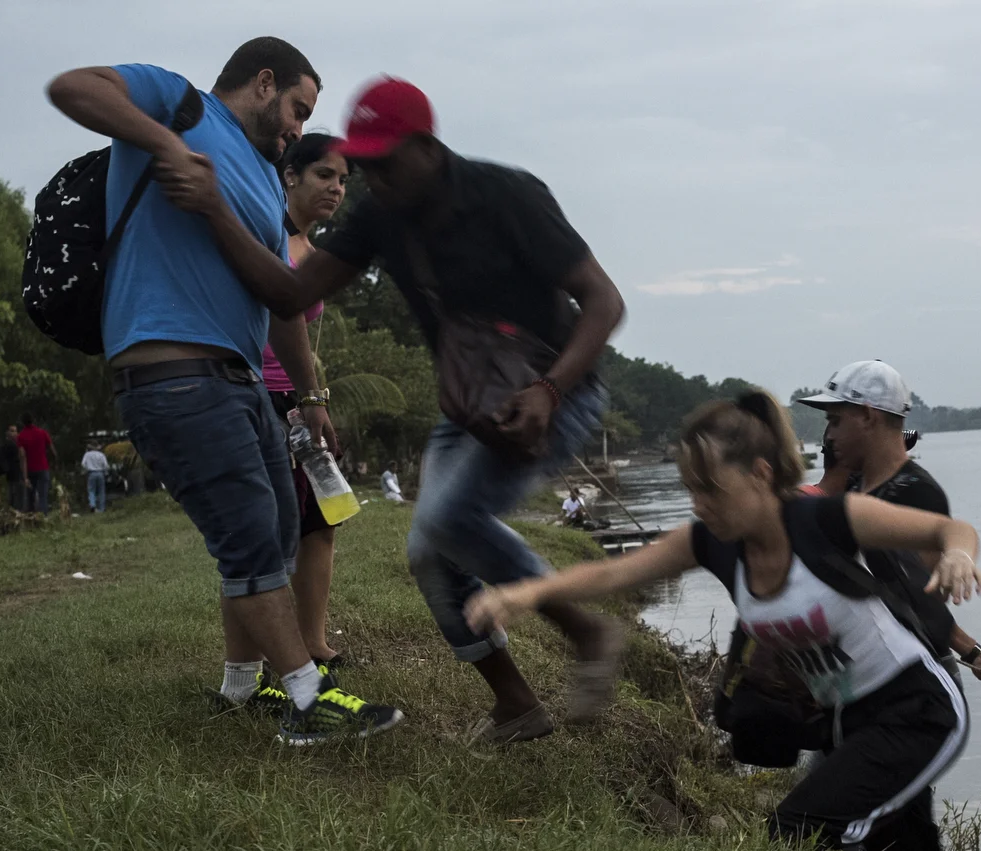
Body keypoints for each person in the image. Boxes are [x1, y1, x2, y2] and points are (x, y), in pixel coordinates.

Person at [466, 391, 981, 851]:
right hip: (847, 724)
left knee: (797, 830)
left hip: (917, 711)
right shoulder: (715, 542)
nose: (699, 505)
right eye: (689, 489)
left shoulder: (827, 520)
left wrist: (959, 555)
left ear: (760, 474)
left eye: (709, 489)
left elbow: (948, 530)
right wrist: (527, 591)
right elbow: (618, 574)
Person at [151, 76, 628, 743]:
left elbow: (604, 302)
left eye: (387, 159)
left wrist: (549, 390)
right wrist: (213, 210)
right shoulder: (380, 216)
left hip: (557, 393)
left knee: (449, 517)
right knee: (431, 551)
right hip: (470, 408)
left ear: (428, 147)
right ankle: (517, 706)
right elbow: (288, 295)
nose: (373, 174)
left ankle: (587, 632)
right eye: (363, 161)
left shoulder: (506, 195)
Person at [46, 36, 400, 745]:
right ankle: (308, 700)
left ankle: (243, 688)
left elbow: (283, 301)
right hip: (172, 371)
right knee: (248, 541)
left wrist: (311, 394)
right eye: (299, 109)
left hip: (240, 378)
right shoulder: (176, 103)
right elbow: (72, 87)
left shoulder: (269, 182)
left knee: (274, 535)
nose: (299, 129)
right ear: (264, 83)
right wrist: (167, 147)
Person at [797, 360, 981, 684]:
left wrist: (959, 556)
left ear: (869, 418)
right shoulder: (856, 489)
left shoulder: (914, 491)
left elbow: (921, 597)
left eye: (837, 420)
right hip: (869, 667)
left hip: (916, 675)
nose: (830, 434)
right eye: (831, 423)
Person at [259, 132, 351, 671]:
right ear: (290, 174)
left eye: (343, 180)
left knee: (320, 522)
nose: (336, 188)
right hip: (254, 394)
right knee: (273, 526)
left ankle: (313, 641)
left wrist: (314, 398)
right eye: (324, 175)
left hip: (298, 402)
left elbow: (306, 345)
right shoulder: (263, 232)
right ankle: (274, 657)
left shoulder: (313, 254)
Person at [0, 423, 27, 511]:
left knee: (19, 499)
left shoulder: (19, 444)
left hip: (19, 476)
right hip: (12, 476)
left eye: (15, 431)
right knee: (13, 499)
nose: (13, 433)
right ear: (7, 432)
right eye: (11, 431)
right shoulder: (6, 446)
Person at [81, 441, 110, 513]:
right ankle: (101, 508)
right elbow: (106, 465)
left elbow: (83, 464)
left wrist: (86, 470)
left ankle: (92, 505)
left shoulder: (87, 454)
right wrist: (106, 473)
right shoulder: (101, 455)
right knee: (101, 491)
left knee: (91, 490)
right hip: (100, 473)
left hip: (91, 473)